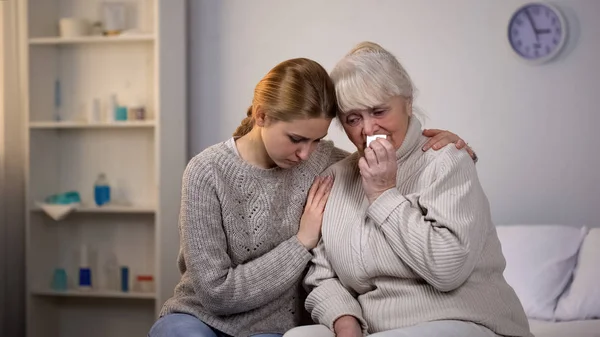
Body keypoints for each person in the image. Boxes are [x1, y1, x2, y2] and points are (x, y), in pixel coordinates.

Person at [148, 57, 474, 337]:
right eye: (296, 139)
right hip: (199, 316)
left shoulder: (324, 163)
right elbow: (216, 294)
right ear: (261, 116)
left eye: (317, 140)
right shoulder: (205, 172)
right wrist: (300, 242)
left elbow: (388, 164)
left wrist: (448, 149)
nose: (305, 154)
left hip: (275, 325)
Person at [284, 42, 532, 337]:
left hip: (465, 320)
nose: (367, 128)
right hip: (375, 327)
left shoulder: (447, 160)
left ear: (408, 103)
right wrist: (344, 319)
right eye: (353, 119)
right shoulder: (337, 177)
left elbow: (447, 270)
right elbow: (323, 274)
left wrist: (383, 194)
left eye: (379, 111)